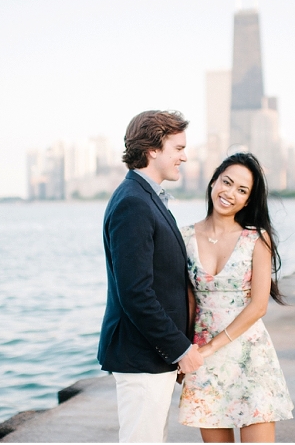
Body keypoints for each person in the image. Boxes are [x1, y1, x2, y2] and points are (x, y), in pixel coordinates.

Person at [97, 110, 205, 443]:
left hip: (152, 357)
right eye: (178, 148)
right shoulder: (134, 203)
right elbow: (136, 293)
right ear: (153, 149)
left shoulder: (146, 198)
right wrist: (180, 349)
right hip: (141, 356)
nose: (184, 157)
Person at [178, 152, 293, 443]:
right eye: (227, 182)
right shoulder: (184, 237)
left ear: (248, 201)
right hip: (204, 363)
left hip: (250, 358)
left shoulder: (257, 239)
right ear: (213, 182)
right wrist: (182, 351)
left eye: (242, 190)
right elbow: (187, 302)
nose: (230, 193)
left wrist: (210, 347)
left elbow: (259, 306)